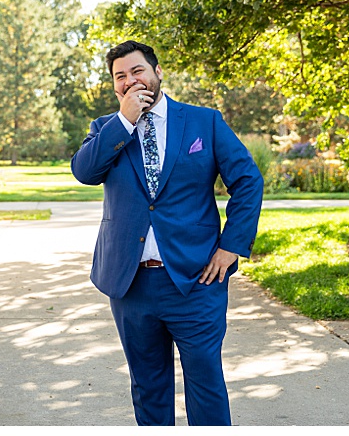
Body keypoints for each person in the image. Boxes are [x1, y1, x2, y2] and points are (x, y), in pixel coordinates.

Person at [71, 41, 264, 425]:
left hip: (196, 281)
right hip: (131, 283)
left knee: (206, 385)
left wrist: (231, 246)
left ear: (158, 72)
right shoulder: (104, 130)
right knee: (148, 387)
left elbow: (248, 180)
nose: (130, 81)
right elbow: (85, 172)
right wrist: (124, 121)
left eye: (137, 71)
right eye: (120, 76)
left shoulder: (204, 122)